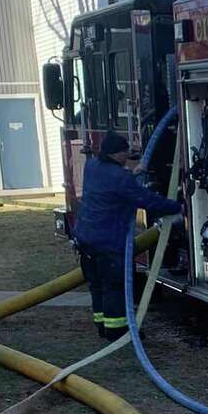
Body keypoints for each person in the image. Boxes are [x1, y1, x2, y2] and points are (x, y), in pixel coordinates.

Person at [75, 131, 180, 339]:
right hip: (108, 243)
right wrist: (177, 206)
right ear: (116, 154)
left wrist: (133, 174)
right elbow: (147, 200)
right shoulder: (120, 178)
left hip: (86, 239)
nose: (128, 156)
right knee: (114, 287)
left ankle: (102, 327)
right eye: (126, 153)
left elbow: (111, 184)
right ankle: (117, 332)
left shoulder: (92, 166)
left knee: (97, 285)